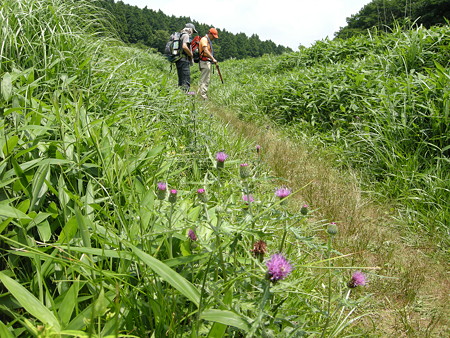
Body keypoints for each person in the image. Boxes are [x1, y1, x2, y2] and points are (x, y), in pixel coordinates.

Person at [199, 28, 219, 100]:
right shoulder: (204, 40)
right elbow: (205, 50)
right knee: (205, 80)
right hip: (204, 62)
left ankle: (201, 95)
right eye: (213, 36)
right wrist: (213, 58)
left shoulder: (207, 40)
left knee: (205, 79)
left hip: (206, 61)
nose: (214, 38)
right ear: (209, 33)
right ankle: (203, 97)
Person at [176, 23, 197, 91]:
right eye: (193, 31)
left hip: (178, 59)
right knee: (186, 80)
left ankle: (180, 96)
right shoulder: (186, 35)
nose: (193, 33)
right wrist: (191, 54)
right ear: (190, 29)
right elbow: (184, 46)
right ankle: (187, 97)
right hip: (184, 60)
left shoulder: (180, 35)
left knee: (181, 80)